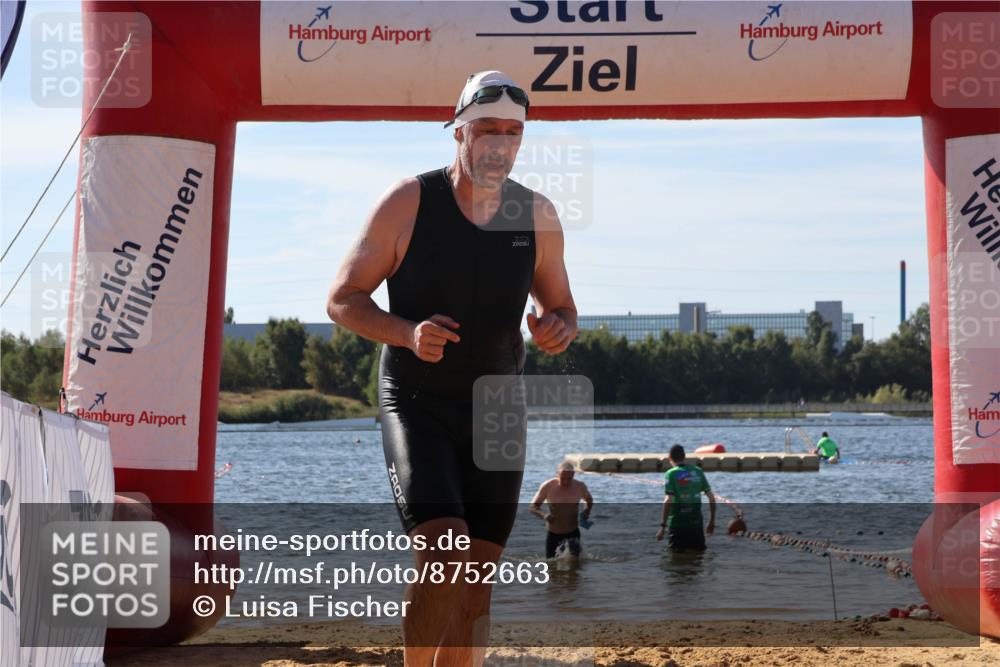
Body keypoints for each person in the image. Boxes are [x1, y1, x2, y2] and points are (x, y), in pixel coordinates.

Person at [326, 70, 578, 667]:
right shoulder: (408, 201)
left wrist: (557, 327)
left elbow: (562, 305)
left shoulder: (536, 215)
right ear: (458, 131)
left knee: (477, 582)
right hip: (418, 402)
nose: (500, 143)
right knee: (443, 555)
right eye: (487, 129)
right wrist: (406, 333)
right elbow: (342, 299)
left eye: (512, 133)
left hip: (497, 410)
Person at [656, 444, 716, 551]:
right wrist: (711, 522)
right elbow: (711, 498)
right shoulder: (698, 471)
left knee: (675, 558)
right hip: (696, 525)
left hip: (677, 525)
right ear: (684, 456)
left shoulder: (670, 474)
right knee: (698, 556)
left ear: (670, 458)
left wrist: (662, 527)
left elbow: (668, 500)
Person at [530, 461, 594, 559]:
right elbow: (533, 507)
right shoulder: (548, 486)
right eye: (562, 478)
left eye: (569, 479)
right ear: (557, 474)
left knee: (575, 568)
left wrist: (587, 511)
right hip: (553, 534)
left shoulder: (580, 487)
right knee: (551, 567)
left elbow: (589, 500)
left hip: (573, 533)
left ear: (573, 475)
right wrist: (544, 515)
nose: (566, 482)